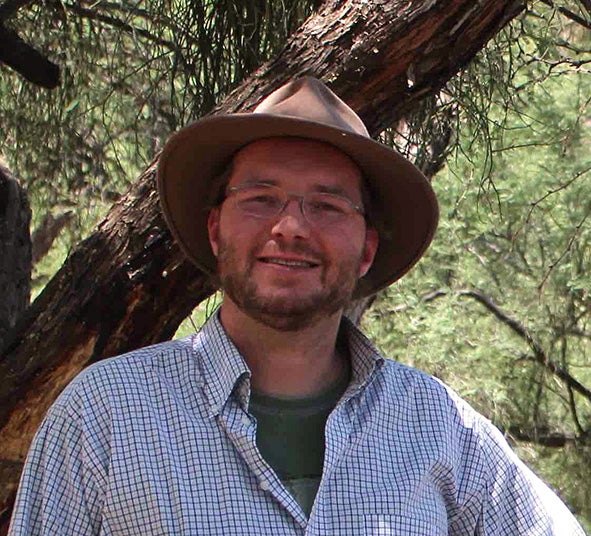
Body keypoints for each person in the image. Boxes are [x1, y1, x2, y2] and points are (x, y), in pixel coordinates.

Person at [8, 77, 585, 535]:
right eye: (261, 199)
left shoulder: (437, 427)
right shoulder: (103, 417)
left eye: (328, 206)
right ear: (216, 230)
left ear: (367, 249)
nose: (290, 228)